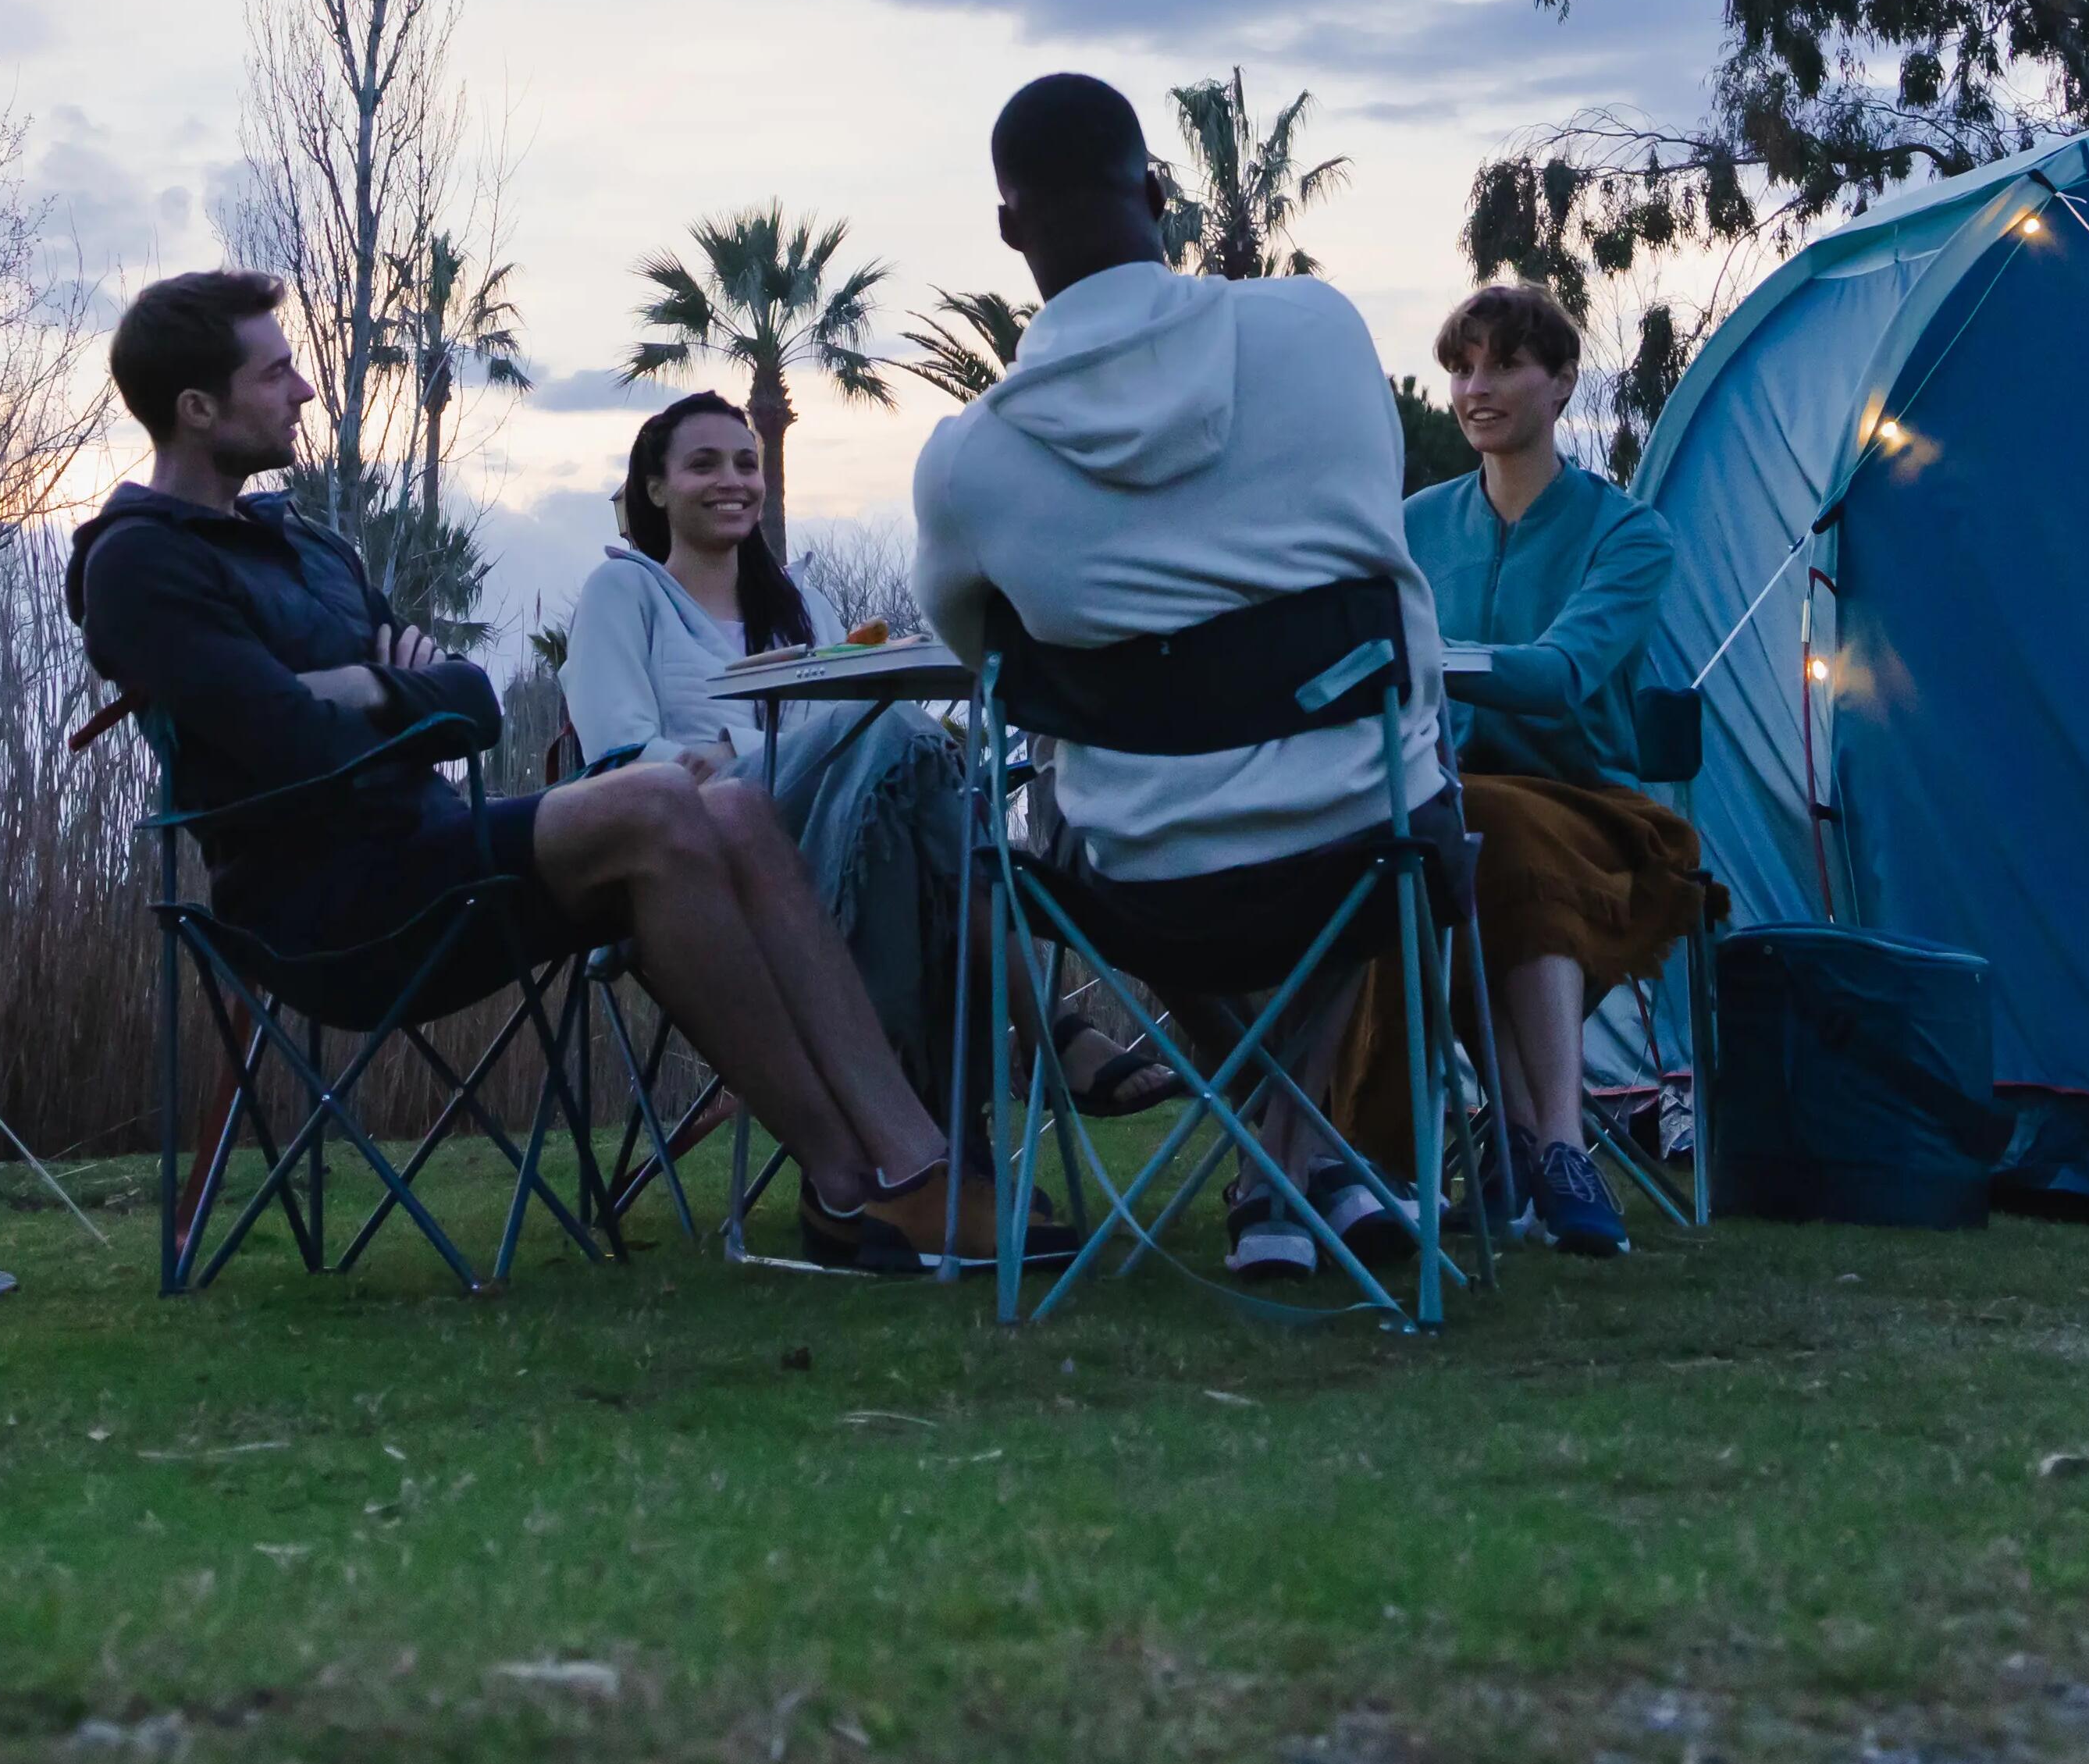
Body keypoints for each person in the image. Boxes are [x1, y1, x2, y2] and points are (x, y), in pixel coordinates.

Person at [72, 269, 1020, 1279]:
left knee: (733, 809)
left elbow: (473, 703)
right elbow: (291, 745)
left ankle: (899, 1165)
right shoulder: (140, 565)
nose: (304, 390)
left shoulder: (308, 548)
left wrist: (362, 688)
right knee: (662, 798)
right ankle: (851, 1177)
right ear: (198, 407)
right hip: (324, 908)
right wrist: (386, 694)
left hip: (431, 855)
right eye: (278, 372)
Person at [909, 73, 1457, 1279]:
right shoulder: (1317, 330)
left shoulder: (968, 463)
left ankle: (1286, 1162)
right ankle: (1298, 1162)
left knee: (1113, 819)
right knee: (1377, 802)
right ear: (1157, 192)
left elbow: (984, 657)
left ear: (1008, 231)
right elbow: (1371, 530)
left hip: (1140, 873)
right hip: (1365, 837)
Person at [565, 393, 1091, 1126]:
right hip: (703, 843)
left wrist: (728, 750)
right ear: (656, 488)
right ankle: (1038, 1044)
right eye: (703, 464)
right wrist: (756, 755)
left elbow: (858, 728)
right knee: (909, 745)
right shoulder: (624, 591)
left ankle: (936, 1148)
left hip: (841, 830)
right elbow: (621, 755)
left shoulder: (802, 601)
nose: (734, 480)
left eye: (747, 464)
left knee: (912, 785)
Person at [1381, 280, 1700, 1259]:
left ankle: (1552, 1138)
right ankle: (1517, 1140)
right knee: (1421, 840)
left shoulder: (1627, 534)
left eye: (1504, 364)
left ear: (1562, 383)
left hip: (1591, 808)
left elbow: (1564, 676)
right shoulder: (1410, 525)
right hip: (1444, 794)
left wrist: (1426, 661)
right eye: (1461, 367)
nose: (1476, 387)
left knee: (1496, 836)